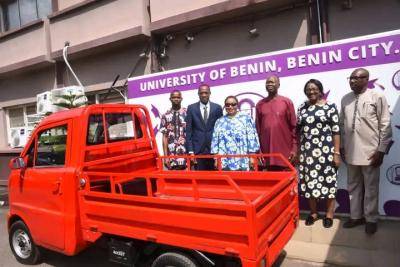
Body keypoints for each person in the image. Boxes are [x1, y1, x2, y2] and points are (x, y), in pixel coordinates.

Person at [340, 68, 392, 234]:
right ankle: (356, 217)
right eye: (351, 78)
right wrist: (341, 147)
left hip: (371, 152)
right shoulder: (345, 99)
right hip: (350, 151)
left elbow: (385, 124)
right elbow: (341, 125)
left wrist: (381, 150)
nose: (352, 81)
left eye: (356, 78)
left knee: (370, 187)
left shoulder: (377, 97)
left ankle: (370, 218)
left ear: (366, 79)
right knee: (353, 185)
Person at [297, 79, 341, 228]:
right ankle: (314, 213)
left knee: (328, 182)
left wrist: (336, 153)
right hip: (307, 153)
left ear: (320, 90)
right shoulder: (302, 107)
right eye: (308, 89)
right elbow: (298, 131)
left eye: (314, 88)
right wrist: (298, 152)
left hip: (326, 152)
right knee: (309, 183)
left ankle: (329, 214)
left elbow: (336, 131)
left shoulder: (330, 107)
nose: (311, 91)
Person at [255, 75, 297, 170]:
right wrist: (258, 151)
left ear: (278, 85)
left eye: (272, 82)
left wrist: (294, 149)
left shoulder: (286, 102)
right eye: (268, 82)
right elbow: (257, 129)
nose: (270, 84)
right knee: (270, 182)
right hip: (266, 154)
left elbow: (294, 127)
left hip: (285, 153)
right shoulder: (260, 104)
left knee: (286, 182)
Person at [211, 96, 260, 171]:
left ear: (237, 105)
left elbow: (252, 138)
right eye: (227, 105)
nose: (230, 107)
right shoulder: (219, 121)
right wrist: (215, 159)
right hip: (224, 160)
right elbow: (215, 141)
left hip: (243, 159)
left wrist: (252, 157)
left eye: (233, 104)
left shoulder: (246, 119)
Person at [186, 84, 223, 170]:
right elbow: (189, 131)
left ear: (210, 93)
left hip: (213, 150)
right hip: (198, 151)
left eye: (206, 92)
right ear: (198, 94)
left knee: (215, 179)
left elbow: (221, 130)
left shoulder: (217, 108)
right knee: (200, 179)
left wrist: (220, 150)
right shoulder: (191, 108)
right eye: (201, 93)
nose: (204, 95)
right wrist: (191, 151)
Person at [159, 90, 187, 170]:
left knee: (188, 180)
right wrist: (165, 157)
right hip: (172, 157)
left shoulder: (187, 113)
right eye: (174, 97)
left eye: (178, 97)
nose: (176, 99)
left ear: (181, 99)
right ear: (170, 99)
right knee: (174, 180)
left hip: (186, 155)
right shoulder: (165, 116)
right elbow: (164, 137)